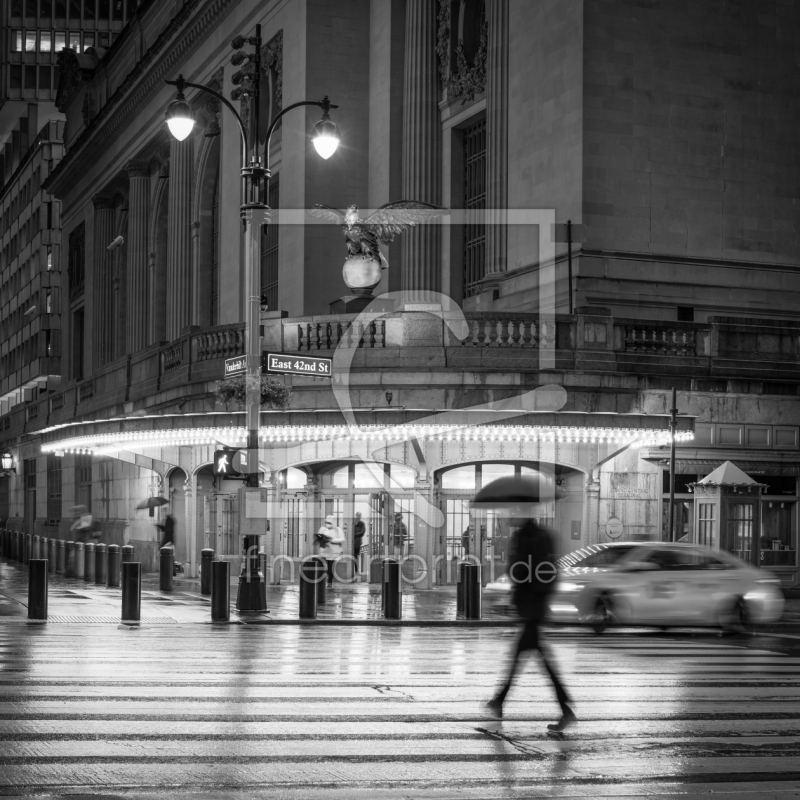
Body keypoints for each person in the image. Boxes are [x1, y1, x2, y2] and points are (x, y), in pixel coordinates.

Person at [486, 512, 576, 733]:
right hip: (534, 605)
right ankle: (501, 701)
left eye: (511, 514)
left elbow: (525, 571)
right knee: (530, 658)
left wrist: (514, 569)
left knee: (527, 659)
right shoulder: (538, 536)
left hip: (531, 606)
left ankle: (501, 701)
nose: (508, 518)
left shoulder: (528, 539)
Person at [316, 515, 345, 585]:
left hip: (333, 552)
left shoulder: (338, 529)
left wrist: (332, 540)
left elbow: (342, 539)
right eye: (326, 522)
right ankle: (322, 581)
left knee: (330, 568)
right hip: (324, 551)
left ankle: (329, 581)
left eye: (329, 522)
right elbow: (319, 538)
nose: (327, 524)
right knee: (323, 567)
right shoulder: (323, 529)